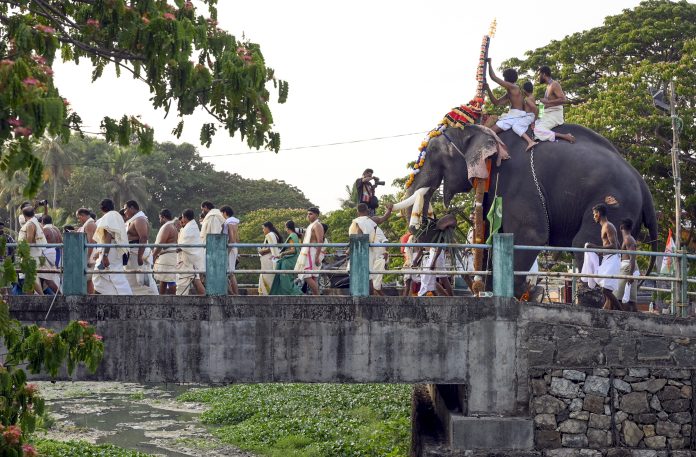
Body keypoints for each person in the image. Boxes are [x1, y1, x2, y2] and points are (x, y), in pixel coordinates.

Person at [485, 59, 537, 151]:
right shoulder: (510, 92)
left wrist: (489, 63)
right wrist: (488, 89)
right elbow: (496, 103)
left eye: (504, 78)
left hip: (515, 116)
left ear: (506, 79)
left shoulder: (514, 87)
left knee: (489, 132)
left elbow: (493, 77)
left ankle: (502, 151)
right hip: (512, 115)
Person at [581, 204, 623, 310]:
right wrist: (600, 252)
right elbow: (613, 245)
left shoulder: (608, 226)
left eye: (594, 214)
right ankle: (606, 311)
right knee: (605, 290)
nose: (594, 216)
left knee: (606, 290)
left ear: (598, 214)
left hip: (612, 259)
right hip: (608, 258)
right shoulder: (605, 226)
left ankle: (622, 312)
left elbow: (615, 246)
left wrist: (595, 247)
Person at [348, 203, 393, 294]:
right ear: (367, 210)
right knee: (369, 276)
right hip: (370, 251)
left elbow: (357, 236)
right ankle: (368, 297)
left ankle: (362, 297)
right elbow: (384, 218)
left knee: (360, 276)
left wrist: (350, 249)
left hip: (359, 250)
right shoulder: (373, 220)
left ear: (357, 212)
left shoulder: (356, 222)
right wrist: (389, 209)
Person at [92, 198, 132, 295]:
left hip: (109, 250)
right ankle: (123, 294)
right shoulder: (117, 216)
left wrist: (105, 255)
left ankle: (122, 295)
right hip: (115, 250)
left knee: (103, 274)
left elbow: (108, 236)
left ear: (102, 208)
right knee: (112, 274)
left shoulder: (108, 216)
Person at [123, 200, 158, 295]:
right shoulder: (133, 220)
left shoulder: (140, 219)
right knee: (131, 280)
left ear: (132, 208)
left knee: (145, 280)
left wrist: (139, 256)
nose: (124, 212)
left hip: (138, 253)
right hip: (131, 253)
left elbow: (143, 237)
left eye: (125, 209)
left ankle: (155, 299)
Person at [534, 66, 576, 144]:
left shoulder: (554, 84)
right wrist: (539, 114)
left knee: (538, 130)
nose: (538, 77)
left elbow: (563, 100)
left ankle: (565, 136)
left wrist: (547, 102)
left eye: (539, 75)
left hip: (554, 115)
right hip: (548, 114)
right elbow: (545, 104)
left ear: (544, 74)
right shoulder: (548, 86)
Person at [295, 207, 325, 295]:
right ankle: (316, 298)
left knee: (306, 275)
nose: (308, 216)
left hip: (313, 253)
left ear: (317, 215)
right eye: (308, 214)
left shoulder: (317, 225)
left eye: (310, 214)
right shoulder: (311, 225)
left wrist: (317, 257)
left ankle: (317, 296)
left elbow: (320, 241)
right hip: (308, 252)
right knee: (312, 276)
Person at [17, 206, 47, 294]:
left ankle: (42, 297)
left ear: (24, 215)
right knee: (29, 279)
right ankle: (30, 297)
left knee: (31, 277)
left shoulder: (30, 224)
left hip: (30, 255)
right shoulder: (37, 223)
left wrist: (24, 252)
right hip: (33, 254)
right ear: (34, 214)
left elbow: (29, 239)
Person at [176, 209, 206, 295]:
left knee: (183, 283)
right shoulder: (192, 226)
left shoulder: (189, 228)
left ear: (185, 217)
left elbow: (184, 245)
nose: (182, 220)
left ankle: (180, 300)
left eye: (182, 217)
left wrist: (176, 249)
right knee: (196, 281)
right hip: (191, 259)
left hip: (188, 260)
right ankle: (207, 300)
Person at [270, 220, 303, 295]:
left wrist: (283, 253)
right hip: (294, 260)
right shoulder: (295, 235)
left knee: (286, 282)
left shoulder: (292, 236)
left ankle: (298, 294)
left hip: (289, 262)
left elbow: (293, 250)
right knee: (288, 280)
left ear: (287, 228)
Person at [614, 218, 639, 312]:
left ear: (621, 227)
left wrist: (630, 274)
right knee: (626, 298)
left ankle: (626, 318)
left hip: (628, 268)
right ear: (631, 228)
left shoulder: (628, 239)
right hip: (627, 268)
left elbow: (632, 258)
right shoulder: (627, 239)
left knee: (622, 298)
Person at [152, 209, 179, 295]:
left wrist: (153, 255)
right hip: (168, 256)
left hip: (167, 257)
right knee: (163, 279)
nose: (159, 220)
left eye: (160, 218)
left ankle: (173, 299)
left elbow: (161, 243)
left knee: (170, 279)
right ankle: (161, 299)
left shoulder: (167, 227)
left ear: (163, 217)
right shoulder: (172, 226)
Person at [76, 208, 97, 294]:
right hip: (89, 253)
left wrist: (87, 258)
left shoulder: (89, 224)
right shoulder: (88, 224)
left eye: (79, 217)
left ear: (82, 215)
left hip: (90, 254)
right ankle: (90, 297)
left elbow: (91, 242)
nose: (79, 220)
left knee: (87, 278)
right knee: (88, 280)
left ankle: (90, 297)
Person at [40, 214, 63, 293]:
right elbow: (61, 241)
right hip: (58, 253)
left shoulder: (44, 230)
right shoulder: (56, 229)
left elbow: (40, 243)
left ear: (42, 222)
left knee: (48, 277)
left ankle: (59, 295)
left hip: (49, 253)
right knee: (56, 276)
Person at [258, 221, 281, 295]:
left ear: (267, 228)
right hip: (270, 260)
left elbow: (272, 248)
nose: (263, 230)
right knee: (268, 277)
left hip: (269, 260)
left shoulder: (270, 235)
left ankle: (268, 294)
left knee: (268, 277)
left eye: (263, 228)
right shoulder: (274, 235)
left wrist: (262, 251)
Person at [221, 206, 240, 295]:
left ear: (224, 212)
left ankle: (234, 294)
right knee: (230, 272)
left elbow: (232, 239)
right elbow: (237, 238)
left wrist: (226, 252)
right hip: (234, 247)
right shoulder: (235, 221)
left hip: (230, 247)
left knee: (230, 273)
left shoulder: (229, 222)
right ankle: (234, 293)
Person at [371, 226, 389, 296]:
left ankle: (382, 297)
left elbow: (385, 241)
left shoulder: (376, 229)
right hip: (369, 257)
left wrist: (386, 252)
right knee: (374, 279)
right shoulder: (362, 226)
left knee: (376, 280)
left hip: (377, 257)